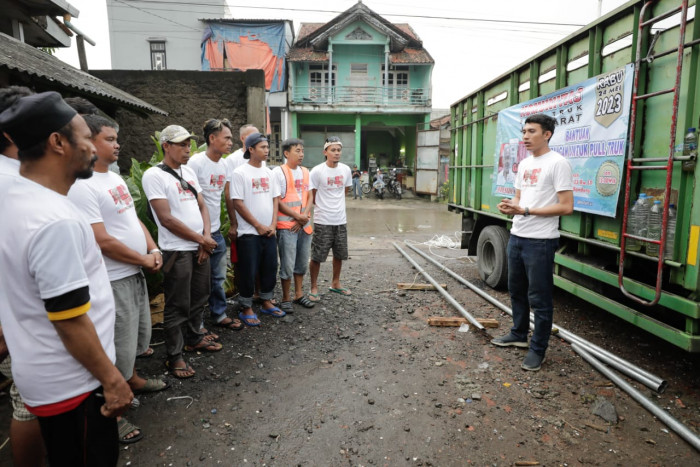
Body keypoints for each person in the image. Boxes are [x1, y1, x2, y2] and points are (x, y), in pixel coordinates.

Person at [0, 91, 133, 466]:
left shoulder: (15, 197)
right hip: (75, 383)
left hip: (45, 374)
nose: (93, 146)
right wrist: (112, 380)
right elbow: (69, 318)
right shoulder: (53, 219)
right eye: (85, 136)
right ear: (58, 143)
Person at [68, 115, 171, 444]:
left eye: (116, 139)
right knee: (113, 345)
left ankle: (132, 379)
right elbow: (102, 240)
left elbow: (132, 219)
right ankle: (112, 414)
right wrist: (143, 258)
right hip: (112, 279)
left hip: (134, 272)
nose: (117, 144)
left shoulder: (112, 178)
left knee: (135, 340)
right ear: (90, 142)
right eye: (110, 139)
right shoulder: (82, 186)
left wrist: (152, 248)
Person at [492, 113, 574, 371]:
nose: (525, 136)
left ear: (546, 134)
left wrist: (526, 210)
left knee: (539, 298)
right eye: (524, 131)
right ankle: (518, 334)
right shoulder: (526, 164)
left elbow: (566, 206)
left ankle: (538, 349)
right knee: (515, 289)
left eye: (531, 131)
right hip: (517, 236)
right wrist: (510, 206)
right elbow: (519, 199)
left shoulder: (558, 163)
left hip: (540, 241)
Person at [142, 125, 222, 380]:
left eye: (189, 145)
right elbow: (165, 219)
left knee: (200, 295)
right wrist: (201, 239)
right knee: (177, 304)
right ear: (166, 145)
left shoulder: (187, 171)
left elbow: (203, 205)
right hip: (177, 250)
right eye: (181, 145)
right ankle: (174, 355)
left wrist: (205, 238)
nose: (188, 150)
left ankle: (194, 338)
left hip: (199, 246)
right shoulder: (155, 175)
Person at [0, 85, 48, 467]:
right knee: (28, 400)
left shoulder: (22, 174)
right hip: (20, 314)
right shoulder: (8, 181)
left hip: (31, 309)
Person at [188, 118, 243, 331]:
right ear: (212, 138)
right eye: (227, 138)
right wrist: (201, 235)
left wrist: (233, 224)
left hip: (216, 232)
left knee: (218, 278)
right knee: (199, 282)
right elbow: (190, 201)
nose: (231, 142)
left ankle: (218, 315)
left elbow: (226, 196)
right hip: (199, 234)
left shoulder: (224, 164)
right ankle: (197, 323)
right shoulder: (196, 162)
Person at [230, 132, 283, 326]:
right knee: (248, 270)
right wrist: (258, 225)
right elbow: (238, 202)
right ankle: (246, 306)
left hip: (269, 231)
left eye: (267, 147)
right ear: (251, 149)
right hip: (249, 233)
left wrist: (272, 224)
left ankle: (266, 301)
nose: (267, 150)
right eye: (263, 147)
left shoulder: (270, 172)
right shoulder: (240, 173)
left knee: (270, 267)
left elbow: (275, 198)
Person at [272, 138, 316, 314]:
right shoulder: (279, 172)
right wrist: (297, 217)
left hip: (304, 225)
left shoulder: (306, 171)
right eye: (297, 150)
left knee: (301, 262)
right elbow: (277, 200)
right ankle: (286, 298)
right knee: (287, 264)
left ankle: (298, 294)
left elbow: (310, 196)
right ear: (286, 153)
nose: (301, 154)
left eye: (302, 151)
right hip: (287, 226)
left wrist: (303, 216)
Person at [308, 136, 353, 301]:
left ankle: (335, 283)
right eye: (333, 150)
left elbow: (345, 191)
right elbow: (312, 196)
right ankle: (313, 287)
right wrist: (323, 207)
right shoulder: (317, 171)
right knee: (317, 256)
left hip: (340, 220)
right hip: (323, 220)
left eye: (339, 150)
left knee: (339, 254)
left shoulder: (346, 170)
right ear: (325, 152)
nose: (336, 153)